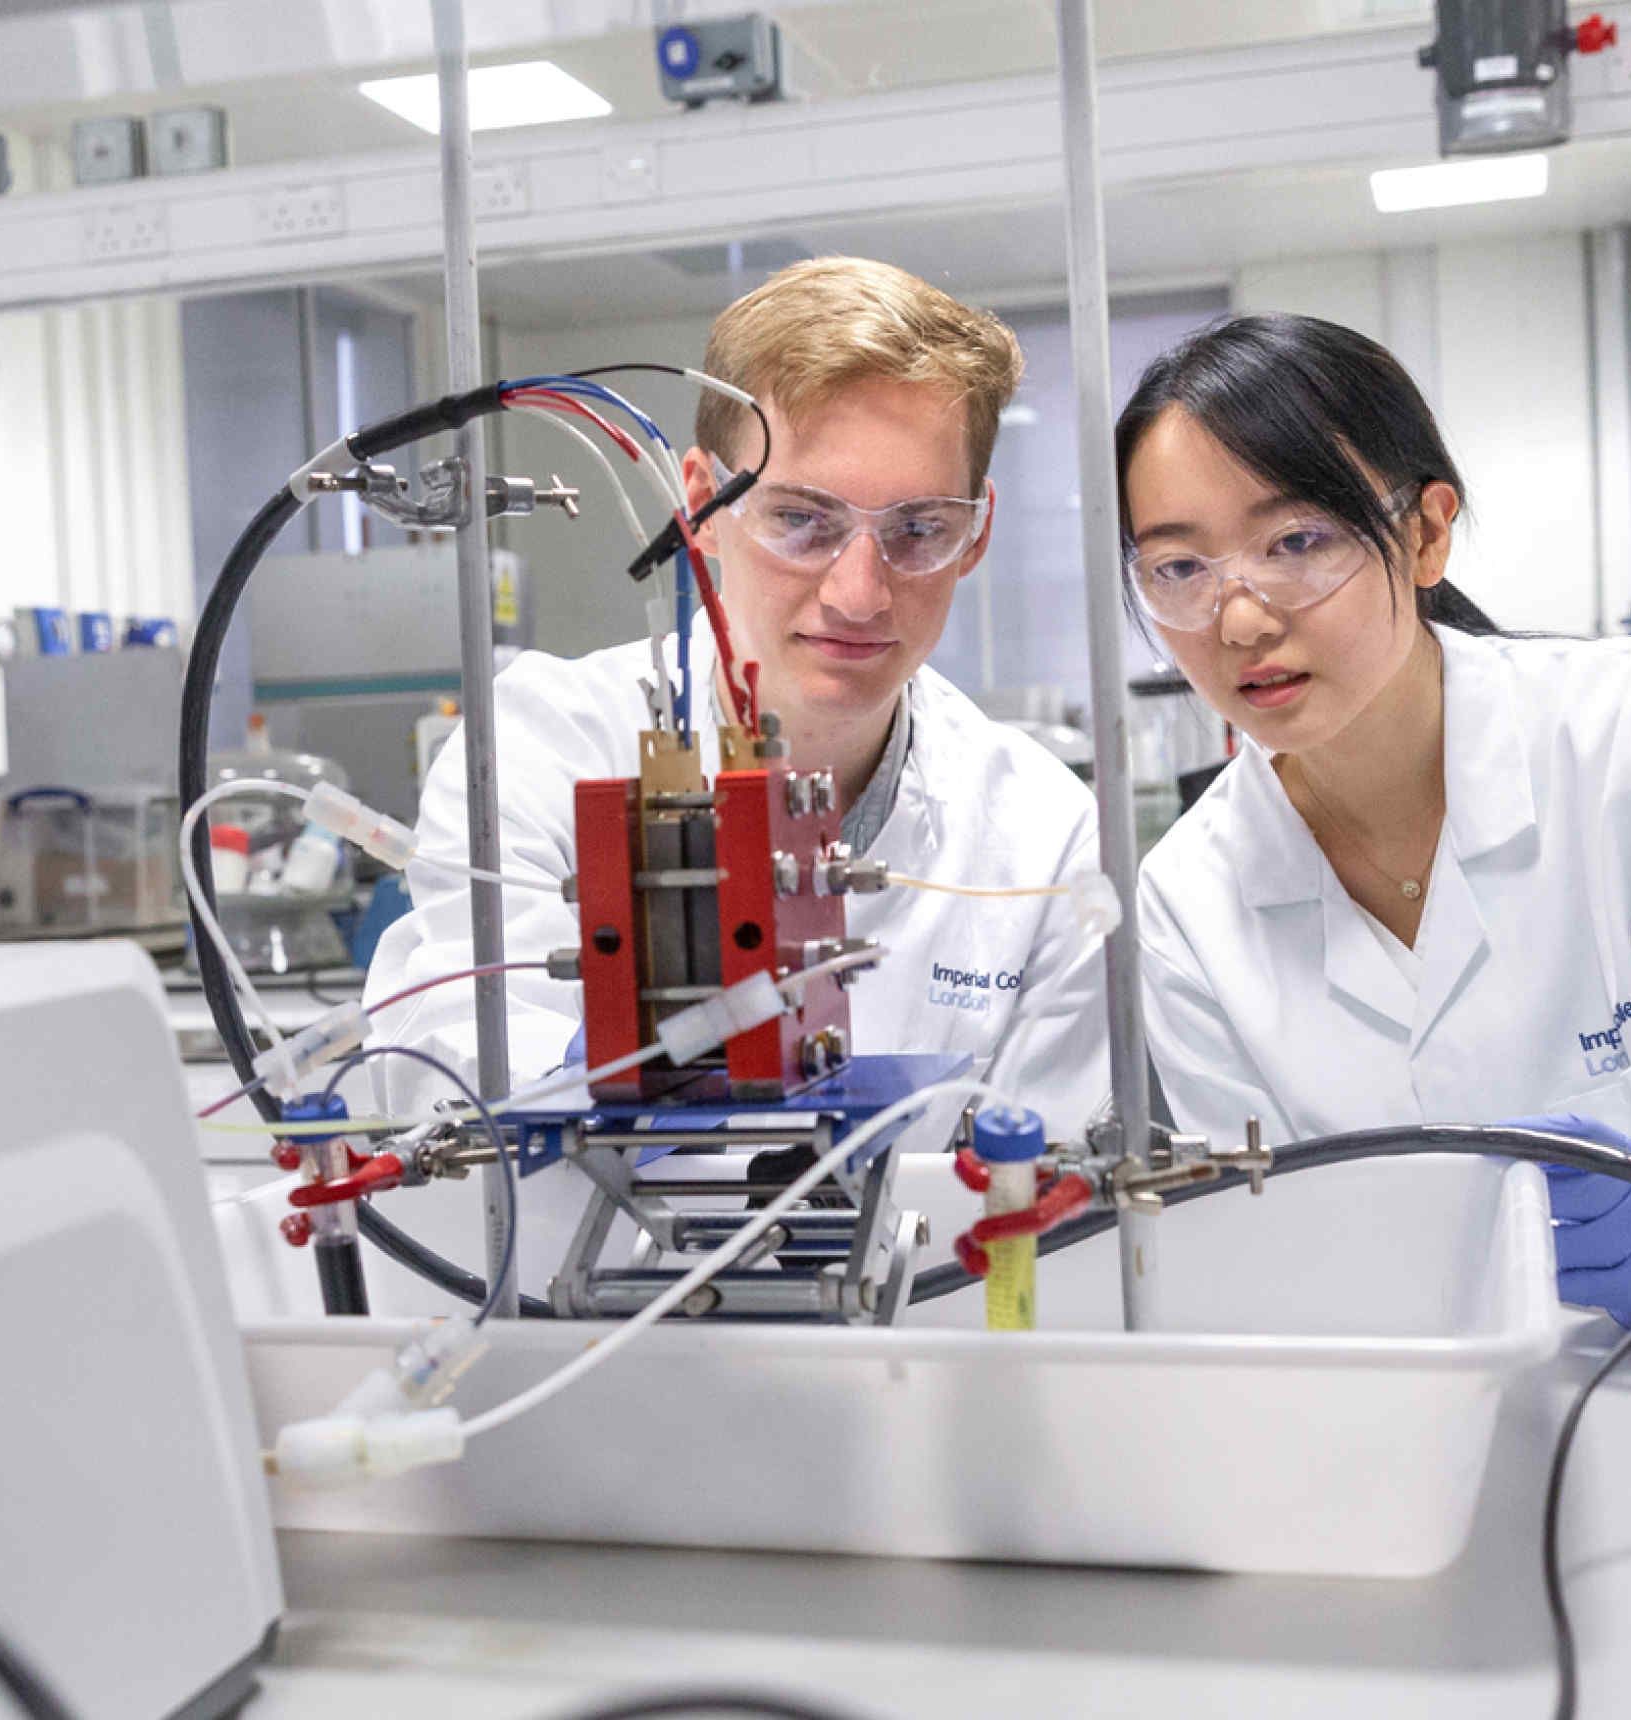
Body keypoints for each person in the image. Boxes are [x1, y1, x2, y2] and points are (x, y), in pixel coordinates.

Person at [358, 259, 1114, 1281]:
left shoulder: (1039, 829)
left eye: (916, 530)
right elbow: (451, 1083)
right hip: (590, 1358)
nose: (857, 592)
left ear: (974, 534)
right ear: (703, 506)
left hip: (925, 1375)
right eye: (801, 519)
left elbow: (1045, 1212)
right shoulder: (537, 749)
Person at [1119, 314, 1631, 1329]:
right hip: (1403, 1433)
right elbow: (1269, 1251)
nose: (1239, 619)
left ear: (1425, 530)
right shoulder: (1188, 899)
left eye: (1295, 541)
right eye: (1179, 569)